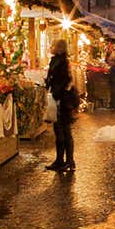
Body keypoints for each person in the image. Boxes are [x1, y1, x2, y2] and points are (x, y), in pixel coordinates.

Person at [45, 39, 79, 171]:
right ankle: (63, 160)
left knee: (63, 130)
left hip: (62, 101)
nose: (51, 47)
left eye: (53, 45)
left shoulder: (62, 62)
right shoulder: (58, 60)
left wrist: (56, 94)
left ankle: (66, 161)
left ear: (58, 48)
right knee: (61, 130)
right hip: (59, 98)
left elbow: (65, 80)